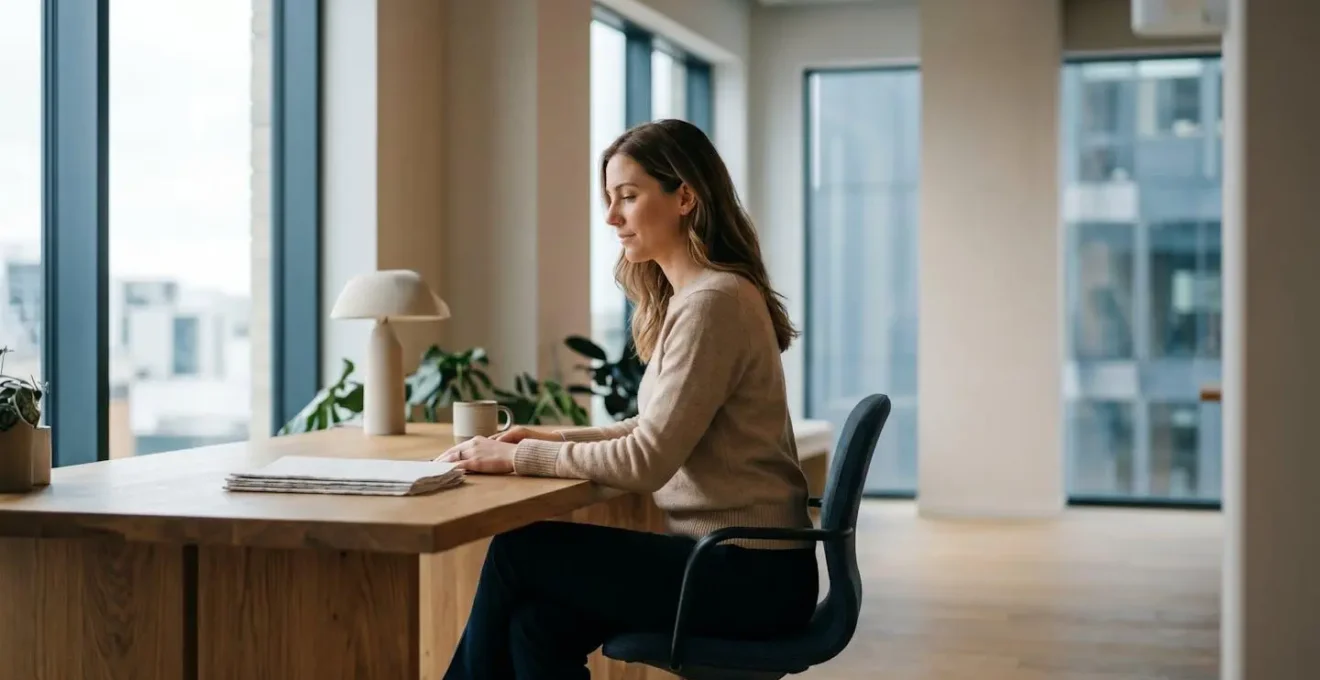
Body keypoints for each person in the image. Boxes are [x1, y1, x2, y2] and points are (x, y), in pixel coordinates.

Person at [438, 118, 818, 679]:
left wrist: (517, 458)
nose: (612, 217)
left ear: (684, 196)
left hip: (745, 576)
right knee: (536, 624)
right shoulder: (702, 296)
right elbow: (652, 427)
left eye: (628, 197)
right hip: (738, 566)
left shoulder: (713, 302)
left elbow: (647, 460)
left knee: (521, 551)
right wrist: (549, 437)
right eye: (610, 200)